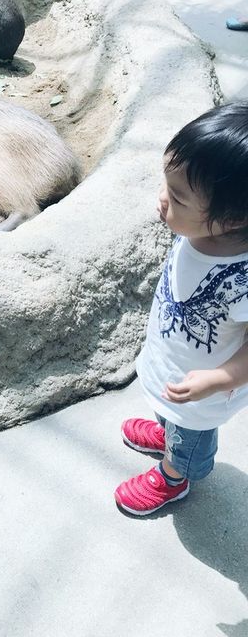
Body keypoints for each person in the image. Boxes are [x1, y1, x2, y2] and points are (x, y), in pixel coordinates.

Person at [115, 102, 248, 515]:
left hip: (203, 391)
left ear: (230, 220)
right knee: (168, 409)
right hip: (172, 361)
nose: (161, 199)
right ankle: (167, 431)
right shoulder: (198, 232)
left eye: (176, 198)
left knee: (190, 439)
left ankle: (175, 477)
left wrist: (217, 379)